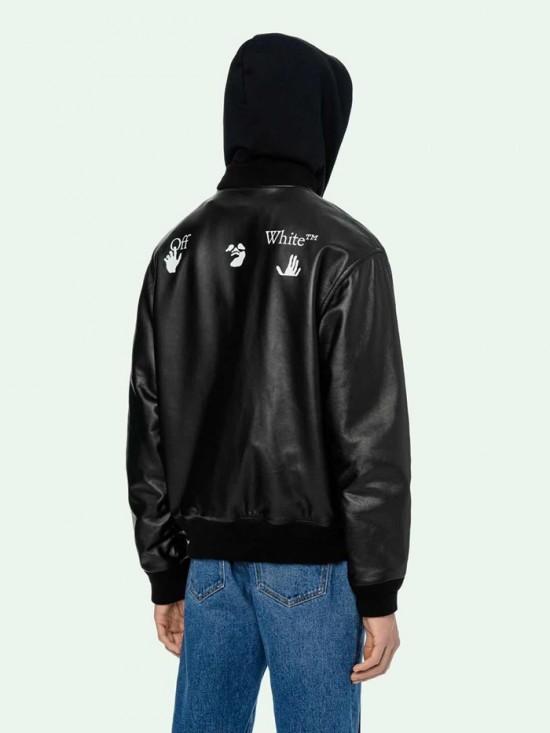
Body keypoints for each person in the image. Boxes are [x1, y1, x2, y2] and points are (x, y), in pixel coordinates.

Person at [126, 32, 412, 733]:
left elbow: (148, 424)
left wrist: (165, 570)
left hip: (207, 570)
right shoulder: (347, 251)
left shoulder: (175, 251)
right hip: (312, 572)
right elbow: (369, 436)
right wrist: (378, 590)